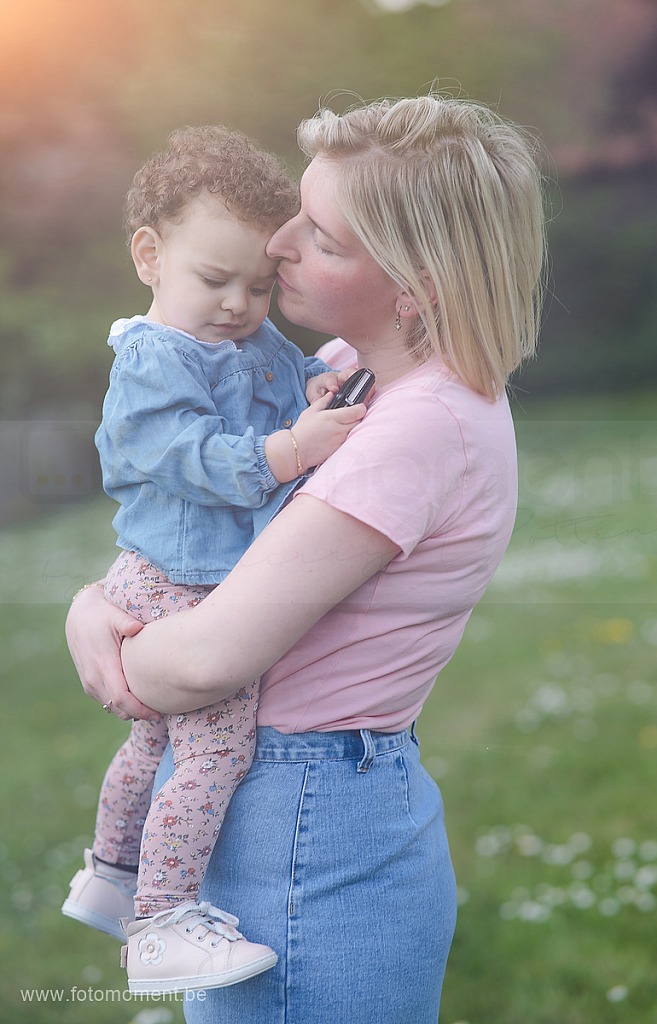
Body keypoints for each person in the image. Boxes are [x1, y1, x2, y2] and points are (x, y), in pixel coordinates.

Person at [66, 94, 546, 1023]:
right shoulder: (352, 375)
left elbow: (206, 660)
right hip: (292, 800)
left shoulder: (414, 432)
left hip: (307, 817)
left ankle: (126, 885)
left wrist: (104, 639)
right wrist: (101, 593)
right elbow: (190, 522)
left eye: (319, 235)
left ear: (416, 285)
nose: (277, 244)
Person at [60, 125, 366, 995]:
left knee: (152, 737)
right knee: (213, 752)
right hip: (177, 578)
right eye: (213, 279)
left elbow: (287, 368)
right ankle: (159, 923)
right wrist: (290, 450)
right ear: (150, 255)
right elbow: (185, 455)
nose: (237, 303)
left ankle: (112, 877)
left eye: (259, 285)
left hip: (178, 571)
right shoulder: (153, 359)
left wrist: (309, 383)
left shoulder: (246, 335)